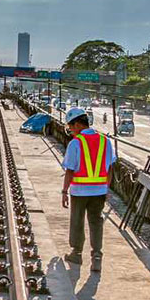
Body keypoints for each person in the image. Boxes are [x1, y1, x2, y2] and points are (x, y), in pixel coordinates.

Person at [61, 107, 117, 272]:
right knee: (96, 223)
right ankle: (97, 257)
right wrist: (106, 188)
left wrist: (64, 191)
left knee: (77, 221)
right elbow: (110, 168)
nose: (70, 130)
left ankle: (77, 254)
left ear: (77, 124)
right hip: (99, 191)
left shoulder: (75, 143)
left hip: (79, 191)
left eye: (71, 126)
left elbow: (70, 170)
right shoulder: (105, 141)